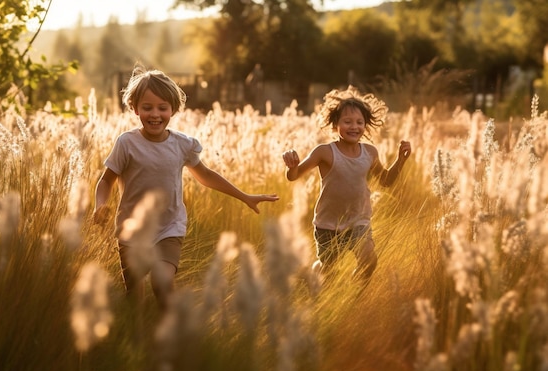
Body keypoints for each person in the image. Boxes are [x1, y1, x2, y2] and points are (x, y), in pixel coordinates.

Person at [93, 67, 279, 311]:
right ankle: (140, 335)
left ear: (173, 109)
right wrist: (100, 205)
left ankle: (171, 334)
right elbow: (106, 180)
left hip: (169, 228)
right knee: (134, 296)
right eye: (147, 107)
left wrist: (244, 196)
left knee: (162, 283)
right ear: (135, 108)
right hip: (131, 229)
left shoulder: (182, 144)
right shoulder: (127, 143)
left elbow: (205, 175)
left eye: (162, 107)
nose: (155, 114)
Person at [281, 86, 411, 284]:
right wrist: (291, 166)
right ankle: (317, 271)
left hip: (359, 221)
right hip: (328, 224)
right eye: (347, 121)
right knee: (329, 270)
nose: (354, 126)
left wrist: (401, 160)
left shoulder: (370, 152)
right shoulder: (324, 152)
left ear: (365, 126)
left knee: (369, 260)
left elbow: (386, 181)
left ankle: (354, 289)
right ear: (335, 126)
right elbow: (294, 175)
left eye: (359, 122)